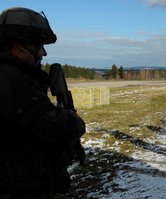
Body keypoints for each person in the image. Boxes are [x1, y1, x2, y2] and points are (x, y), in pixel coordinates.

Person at [0, 7, 86, 198]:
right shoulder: (12, 81)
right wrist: (74, 119)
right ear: (21, 47)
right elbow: (59, 128)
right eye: (39, 46)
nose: (43, 53)